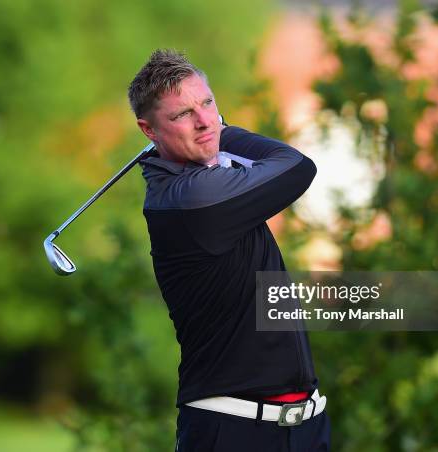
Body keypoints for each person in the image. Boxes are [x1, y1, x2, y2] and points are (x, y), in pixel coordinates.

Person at [128, 49, 330, 451]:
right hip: (233, 429)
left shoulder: (201, 180)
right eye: (182, 114)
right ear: (148, 130)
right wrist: (222, 129)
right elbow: (296, 165)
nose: (203, 120)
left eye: (207, 103)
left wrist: (207, 130)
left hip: (302, 426)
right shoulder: (191, 200)